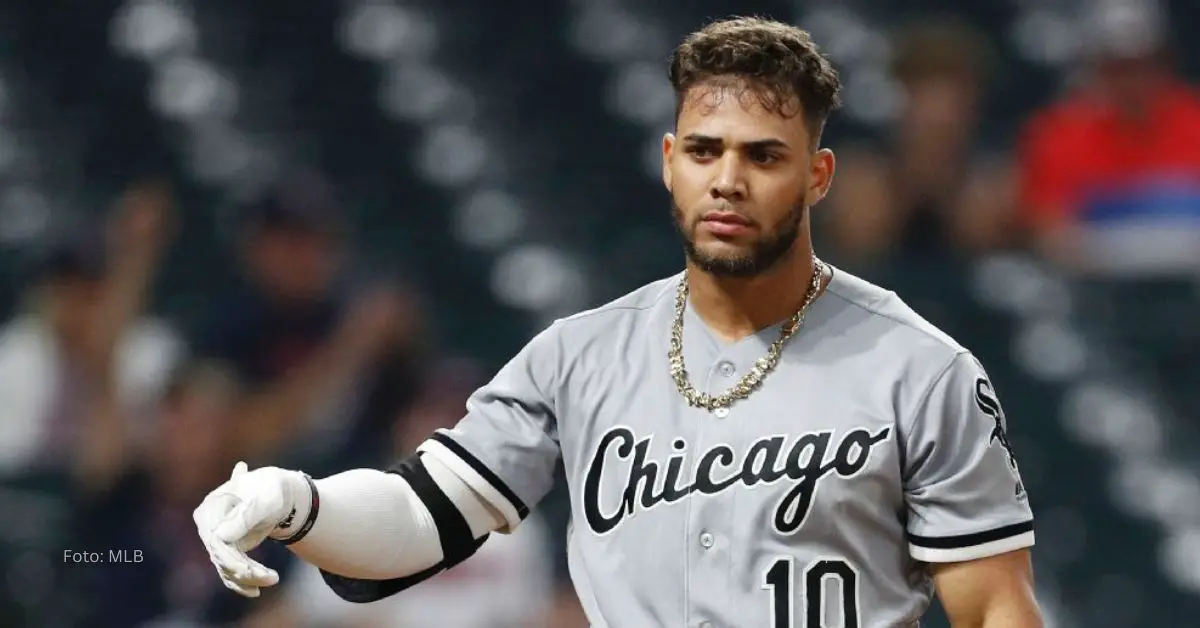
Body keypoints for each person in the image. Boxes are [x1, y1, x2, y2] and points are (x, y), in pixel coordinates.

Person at [193, 17, 1042, 627]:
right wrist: (292, 500)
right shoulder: (580, 357)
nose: (729, 180)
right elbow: (420, 518)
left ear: (818, 176)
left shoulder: (920, 370)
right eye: (706, 150)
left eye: (765, 156)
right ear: (671, 163)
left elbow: (997, 604)